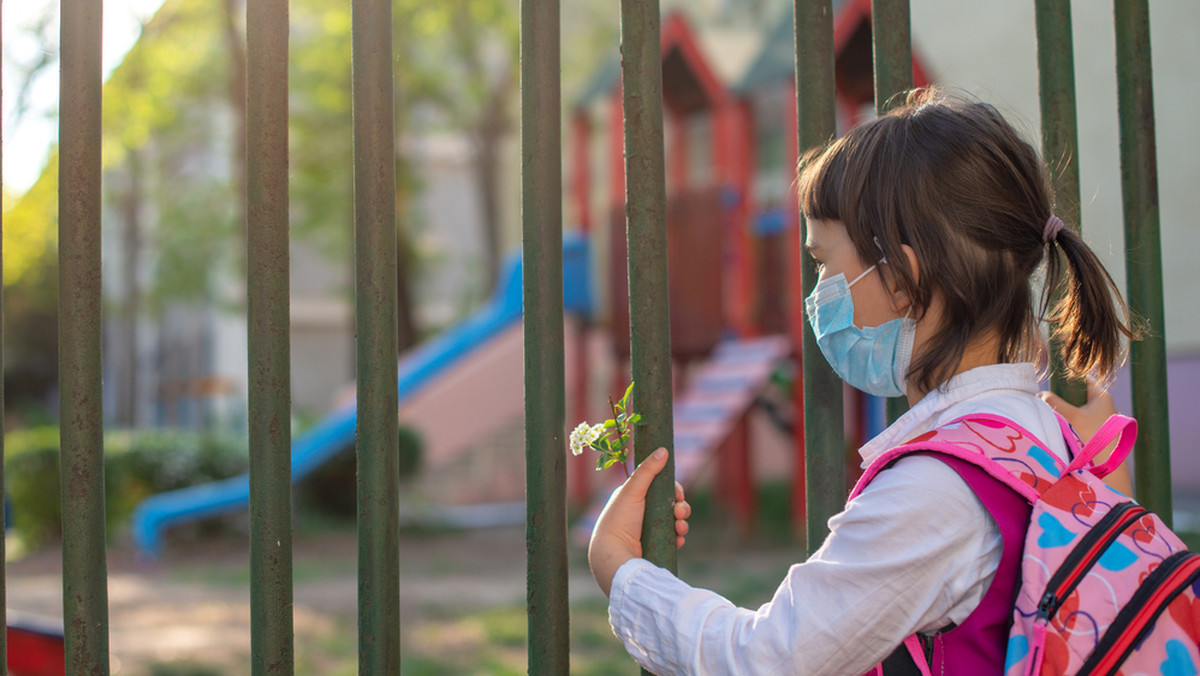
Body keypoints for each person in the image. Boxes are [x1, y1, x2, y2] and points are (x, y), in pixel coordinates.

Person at [588, 88, 1140, 674]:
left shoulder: (937, 491)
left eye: (824, 263)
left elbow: (767, 660)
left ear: (903, 280)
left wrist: (621, 569)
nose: (817, 290)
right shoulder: (1048, 437)